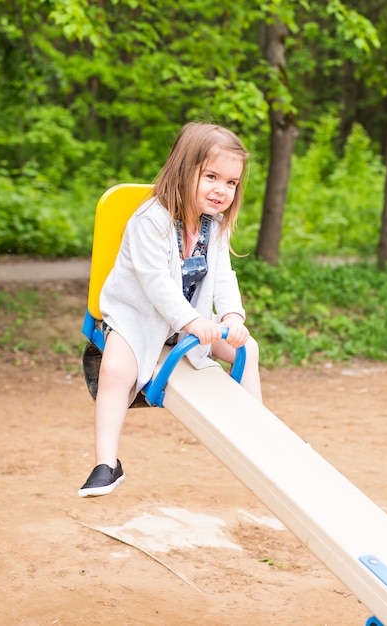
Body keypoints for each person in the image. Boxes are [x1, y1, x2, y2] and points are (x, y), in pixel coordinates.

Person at [78, 122, 262, 498]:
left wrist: (231, 317)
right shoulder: (151, 220)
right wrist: (193, 321)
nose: (221, 190)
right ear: (183, 170)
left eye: (231, 183)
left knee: (248, 348)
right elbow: (156, 284)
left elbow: (225, 277)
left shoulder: (215, 225)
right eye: (211, 176)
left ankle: (257, 432)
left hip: (185, 321)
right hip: (139, 316)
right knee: (116, 370)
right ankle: (106, 463)